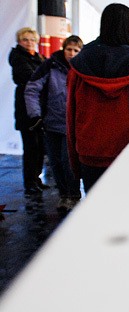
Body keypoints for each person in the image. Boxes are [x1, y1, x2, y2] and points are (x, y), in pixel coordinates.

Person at [67, 3, 129, 193]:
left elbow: (71, 113)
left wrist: (74, 162)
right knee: (124, 213)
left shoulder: (80, 61)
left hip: (89, 152)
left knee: (95, 212)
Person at [24, 35, 83, 212]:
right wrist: (35, 114)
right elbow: (32, 88)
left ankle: (74, 195)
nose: (71, 53)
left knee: (68, 161)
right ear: (63, 49)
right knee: (55, 162)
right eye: (68, 49)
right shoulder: (49, 65)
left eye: (76, 50)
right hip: (50, 123)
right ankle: (64, 195)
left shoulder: (83, 69)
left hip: (71, 125)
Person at [8, 27, 46, 195]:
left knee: (40, 146)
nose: (29, 43)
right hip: (25, 107)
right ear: (19, 41)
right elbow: (32, 77)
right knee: (31, 146)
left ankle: (36, 178)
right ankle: (30, 182)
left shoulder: (39, 58)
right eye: (26, 40)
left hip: (40, 105)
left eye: (32, 40)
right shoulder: (18, 57)